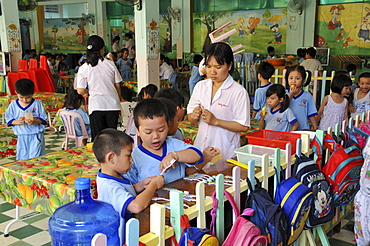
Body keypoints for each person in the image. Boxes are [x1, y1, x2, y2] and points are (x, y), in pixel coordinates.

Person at [94, 128, 164, 245]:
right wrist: (153, 185)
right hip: (119, 239)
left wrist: (140, 185)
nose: (132, 159)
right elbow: (136, 206)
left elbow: (123, 194)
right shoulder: (109, 186)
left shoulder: (109, 175)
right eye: (128, 155)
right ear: (111, 158)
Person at [187, 42, 250, 161]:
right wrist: (194, 116)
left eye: (218, 67)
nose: (212, 72)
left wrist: (216, 121)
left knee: (222, 177)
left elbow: (243, 126)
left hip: (224, 150)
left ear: (229, 66)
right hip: (201, 148)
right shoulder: (200, 86)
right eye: (209, 66)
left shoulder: (238, 92)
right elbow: (190, 116)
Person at [124, 98, 204, 184]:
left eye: (161, 130)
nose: (155, 136)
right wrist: (147, 185)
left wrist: (175, 155)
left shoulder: (173, 145)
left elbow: (197, 154)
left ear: (167, 126)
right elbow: (130, 186)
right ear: (138, 131)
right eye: (148, 132)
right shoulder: (134, 157)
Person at [76, 35, 123, 141]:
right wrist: (118, 100)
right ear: (102, 50)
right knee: (112, 138)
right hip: (112, 105)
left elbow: (80, 90)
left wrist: (90, 91)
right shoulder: (110, 64)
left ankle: (99, 157)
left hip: (96, 105)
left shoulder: (84, 68)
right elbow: (118, 85)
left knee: (98, 139)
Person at [5, 79, 47, 160]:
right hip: (22, 136)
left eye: (28, 97)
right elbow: (9, 119)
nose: (25, 100)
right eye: (21, 97)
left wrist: (35, 121)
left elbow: (43, 118)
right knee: (23, 158)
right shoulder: (13, 105)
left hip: (35, 135)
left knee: (35, 157)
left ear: (33, 93)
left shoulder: (37, 104)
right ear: (16, 93)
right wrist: (16, 122)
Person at [286, 65, 318, 130]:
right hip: (287, 130)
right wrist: (291, 95)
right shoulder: (284, 93)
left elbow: (311, 114)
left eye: (297, 78)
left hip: (303, 129)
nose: (293, 81)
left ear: (303, 80)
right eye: (291, 78)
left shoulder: (307, 96)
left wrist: (315, 127)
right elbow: (283, 107)